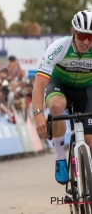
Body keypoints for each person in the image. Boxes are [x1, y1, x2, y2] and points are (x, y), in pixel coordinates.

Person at [32, 10, 92, 185]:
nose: (87, 42)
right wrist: (38, 114)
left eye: (91, 37)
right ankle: (60, 159)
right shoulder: (58, 47)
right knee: (57, 106)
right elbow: (39, 83)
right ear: (73, 32)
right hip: (60, 85)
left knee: (90, 141)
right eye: (82, 36)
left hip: (87, 88)